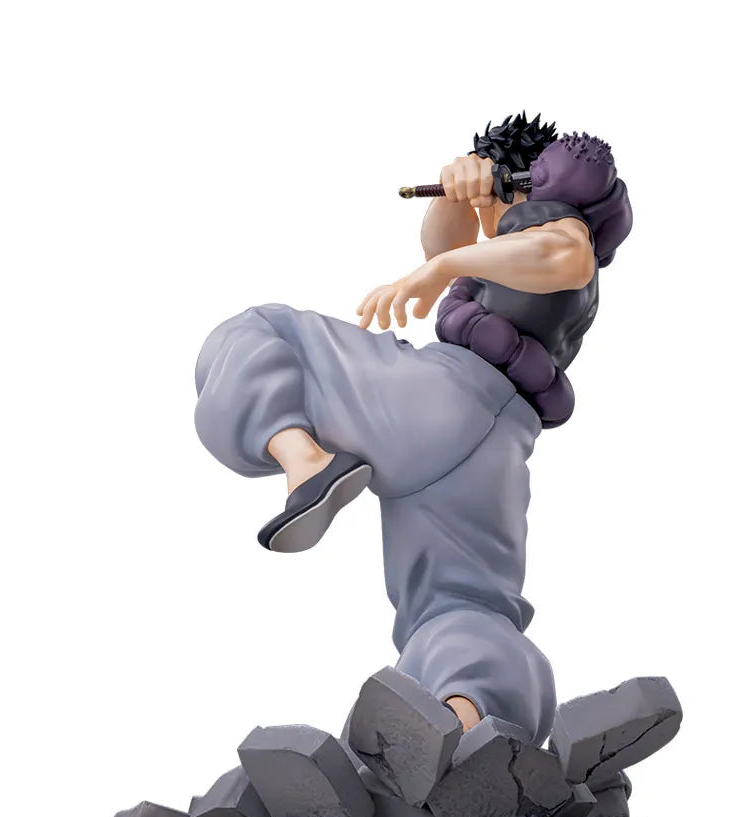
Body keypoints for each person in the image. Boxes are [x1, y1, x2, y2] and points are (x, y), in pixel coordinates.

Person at [193, 114, 632, 746]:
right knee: (465, 605)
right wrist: (457, 195)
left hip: (443, 396)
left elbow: (560, 254)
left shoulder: (559, 230)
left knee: (262, 332)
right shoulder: (509, 257)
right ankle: (465, 718)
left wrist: (442, 264)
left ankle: (306, 462)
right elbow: (444, 248)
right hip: (495, 450)